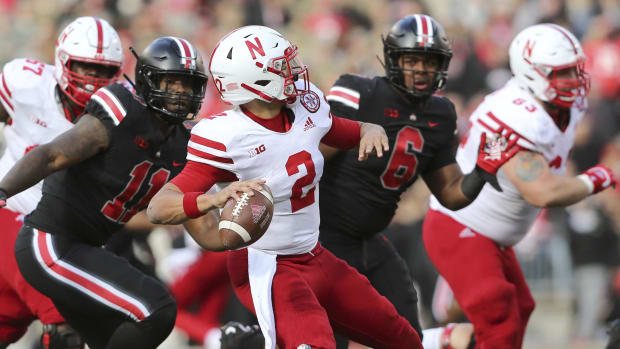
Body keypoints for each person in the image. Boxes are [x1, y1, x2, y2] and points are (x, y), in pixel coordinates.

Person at [147, 25, 427, 349]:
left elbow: (347, 131)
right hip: (267, 265)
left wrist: (370, 130)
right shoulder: (226, 136)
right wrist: (213, 200)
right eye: (282, 66)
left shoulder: (307, 107)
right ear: (256, 81)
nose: (293, 71)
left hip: (316, 254)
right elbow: (159, 206)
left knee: (402, 337)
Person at [319, 14, 518, 348]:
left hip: (372, 239)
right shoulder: (360, 92)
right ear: (394, 59)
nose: (421, 69)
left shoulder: (440, 114)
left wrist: (483, 172)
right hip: (325, 237)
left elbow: (452, 193)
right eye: (412, 60)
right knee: (329, 338)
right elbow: (312, 157)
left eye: (430, 61)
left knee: (407, 332)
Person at [0, 35, 209, 349]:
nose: (180, 93)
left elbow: (207, 232)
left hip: (87, 247)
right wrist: (2, 188)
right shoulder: (121, 111)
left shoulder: (182, 146)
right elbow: (52, 154)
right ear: (148, 80)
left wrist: (234, 210)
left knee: (112, 330)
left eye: (188, 85)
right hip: (49, 238)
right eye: (171, 83)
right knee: (154, 309)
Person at [422, 23, 617, 349]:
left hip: (492, 235)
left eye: (575, 69)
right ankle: (413, 341)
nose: (575, 79)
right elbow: (542, 191)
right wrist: (600, 176)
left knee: (519, 310)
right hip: (462, 227)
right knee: (498, 312)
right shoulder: (515, 116)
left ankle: (437, 340)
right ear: (533, 74)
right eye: (563, 72)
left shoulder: (558, 106)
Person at [0, 16, 123, 349]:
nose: (92, 79)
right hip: (11, 212)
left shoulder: (125, 115)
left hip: (65, 234)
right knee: (66, 317)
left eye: (102, 71)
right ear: (62, 61)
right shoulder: (24, 84)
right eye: (85, 67)